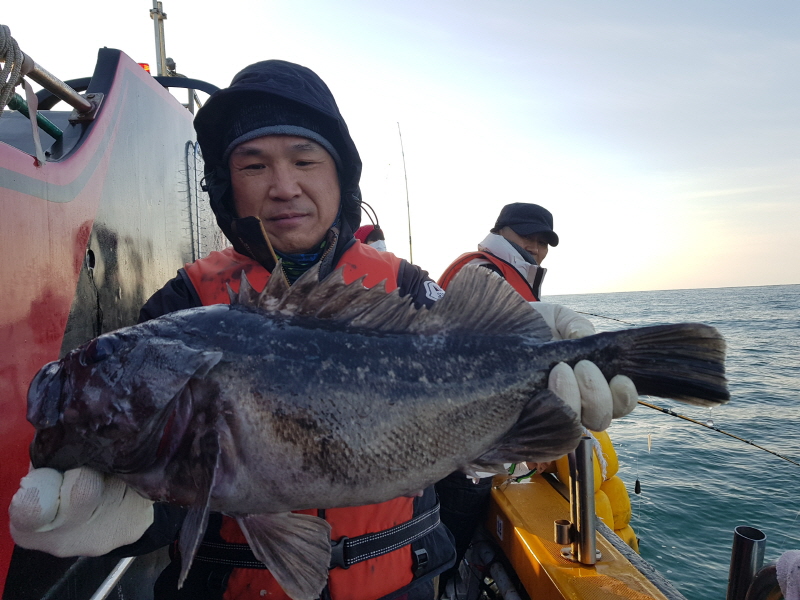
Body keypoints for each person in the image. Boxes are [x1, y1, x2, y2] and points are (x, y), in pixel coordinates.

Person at [10, 63, 635, 600]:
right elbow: (169, 494)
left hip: (404, 582)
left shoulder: (412, 291)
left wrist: (534, 346)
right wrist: (134, 518)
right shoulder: (181, 305)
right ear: (228, 186)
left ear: (341, 173)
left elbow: (468, 409)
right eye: (254, 165)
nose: (284, 187)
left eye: (305, 159)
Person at [435, 202, 639, 597]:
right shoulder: (481, 270)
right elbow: (480, 347)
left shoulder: (501, 271)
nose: (536, 245)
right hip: (463, 456)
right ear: (501, 232)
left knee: (452, 543)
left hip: (478, 445)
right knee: (449, 547)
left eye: (545, 240)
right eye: (527, 235)